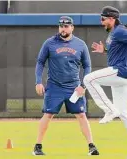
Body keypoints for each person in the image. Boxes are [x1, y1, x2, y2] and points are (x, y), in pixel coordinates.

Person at [83, 6, 127, 159]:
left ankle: (108, 110)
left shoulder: (120, 30)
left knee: (88, 79)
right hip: (125, 76)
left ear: (112, 18)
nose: (101, 22)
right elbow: (120, 50)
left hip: (121, 71)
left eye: (103, 19)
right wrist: (105, 51)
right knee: (122, 111)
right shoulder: (114, 33)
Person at [33, 16, 99, 156]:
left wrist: (83, 85)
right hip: (54, 86)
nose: (63, 28)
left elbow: (87, 66)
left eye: (66, 26)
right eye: (61, 26)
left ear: (72, 28)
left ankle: (91, 146)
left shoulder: (80, 44)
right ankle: (37, 146)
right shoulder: (49, 43)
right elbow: (40, 62)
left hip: (74, 87)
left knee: (81, 115)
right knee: (48, 114)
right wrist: (38, 81)